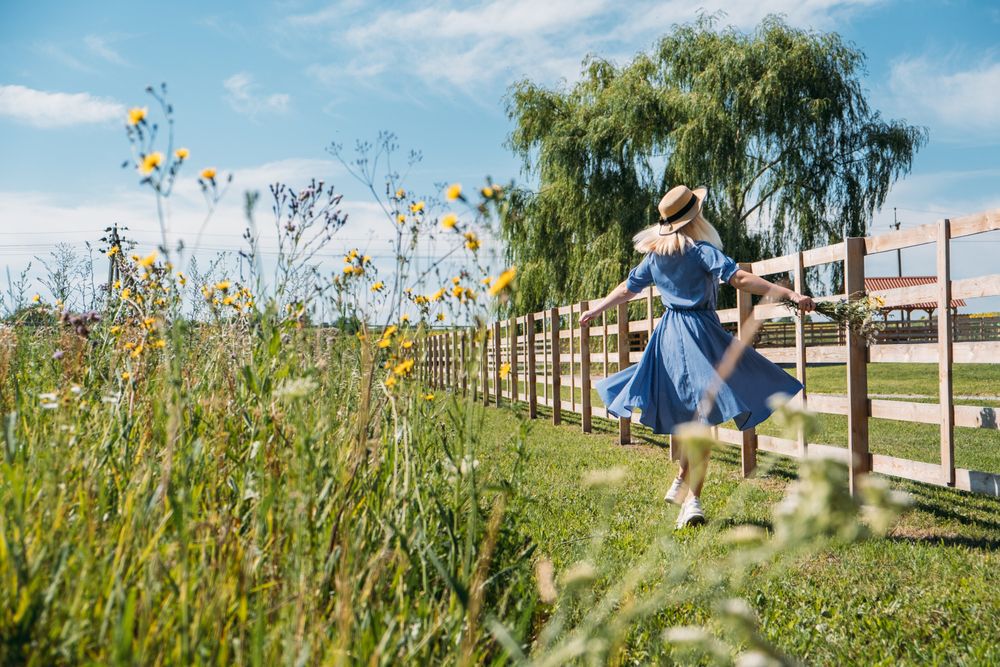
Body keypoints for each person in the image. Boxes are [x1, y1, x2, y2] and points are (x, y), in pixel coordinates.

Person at [578, 185, 816, 529]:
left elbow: (627, 289)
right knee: (703, 418)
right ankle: (692, 502)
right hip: (700, 336)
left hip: (668, 337)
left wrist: (596, 310)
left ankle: (682, 477)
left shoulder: (655, 256)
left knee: (695, 414)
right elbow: (741, 278)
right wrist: (788, 293)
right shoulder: (700, 251)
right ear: (696, 217)